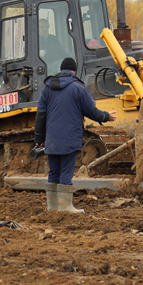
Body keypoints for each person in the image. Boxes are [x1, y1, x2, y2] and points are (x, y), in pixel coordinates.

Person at [34, 57, 115, 213]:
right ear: (74, 71)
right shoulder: (79, 88)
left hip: (51, 139)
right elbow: (92, 111)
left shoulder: (47, 88)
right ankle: (65, 207)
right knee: (66, 171)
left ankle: (52, 207)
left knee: (54, 172)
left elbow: (41, 115)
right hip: (70, 138)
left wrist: (39, 139)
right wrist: (107, 116)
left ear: (61, 69)